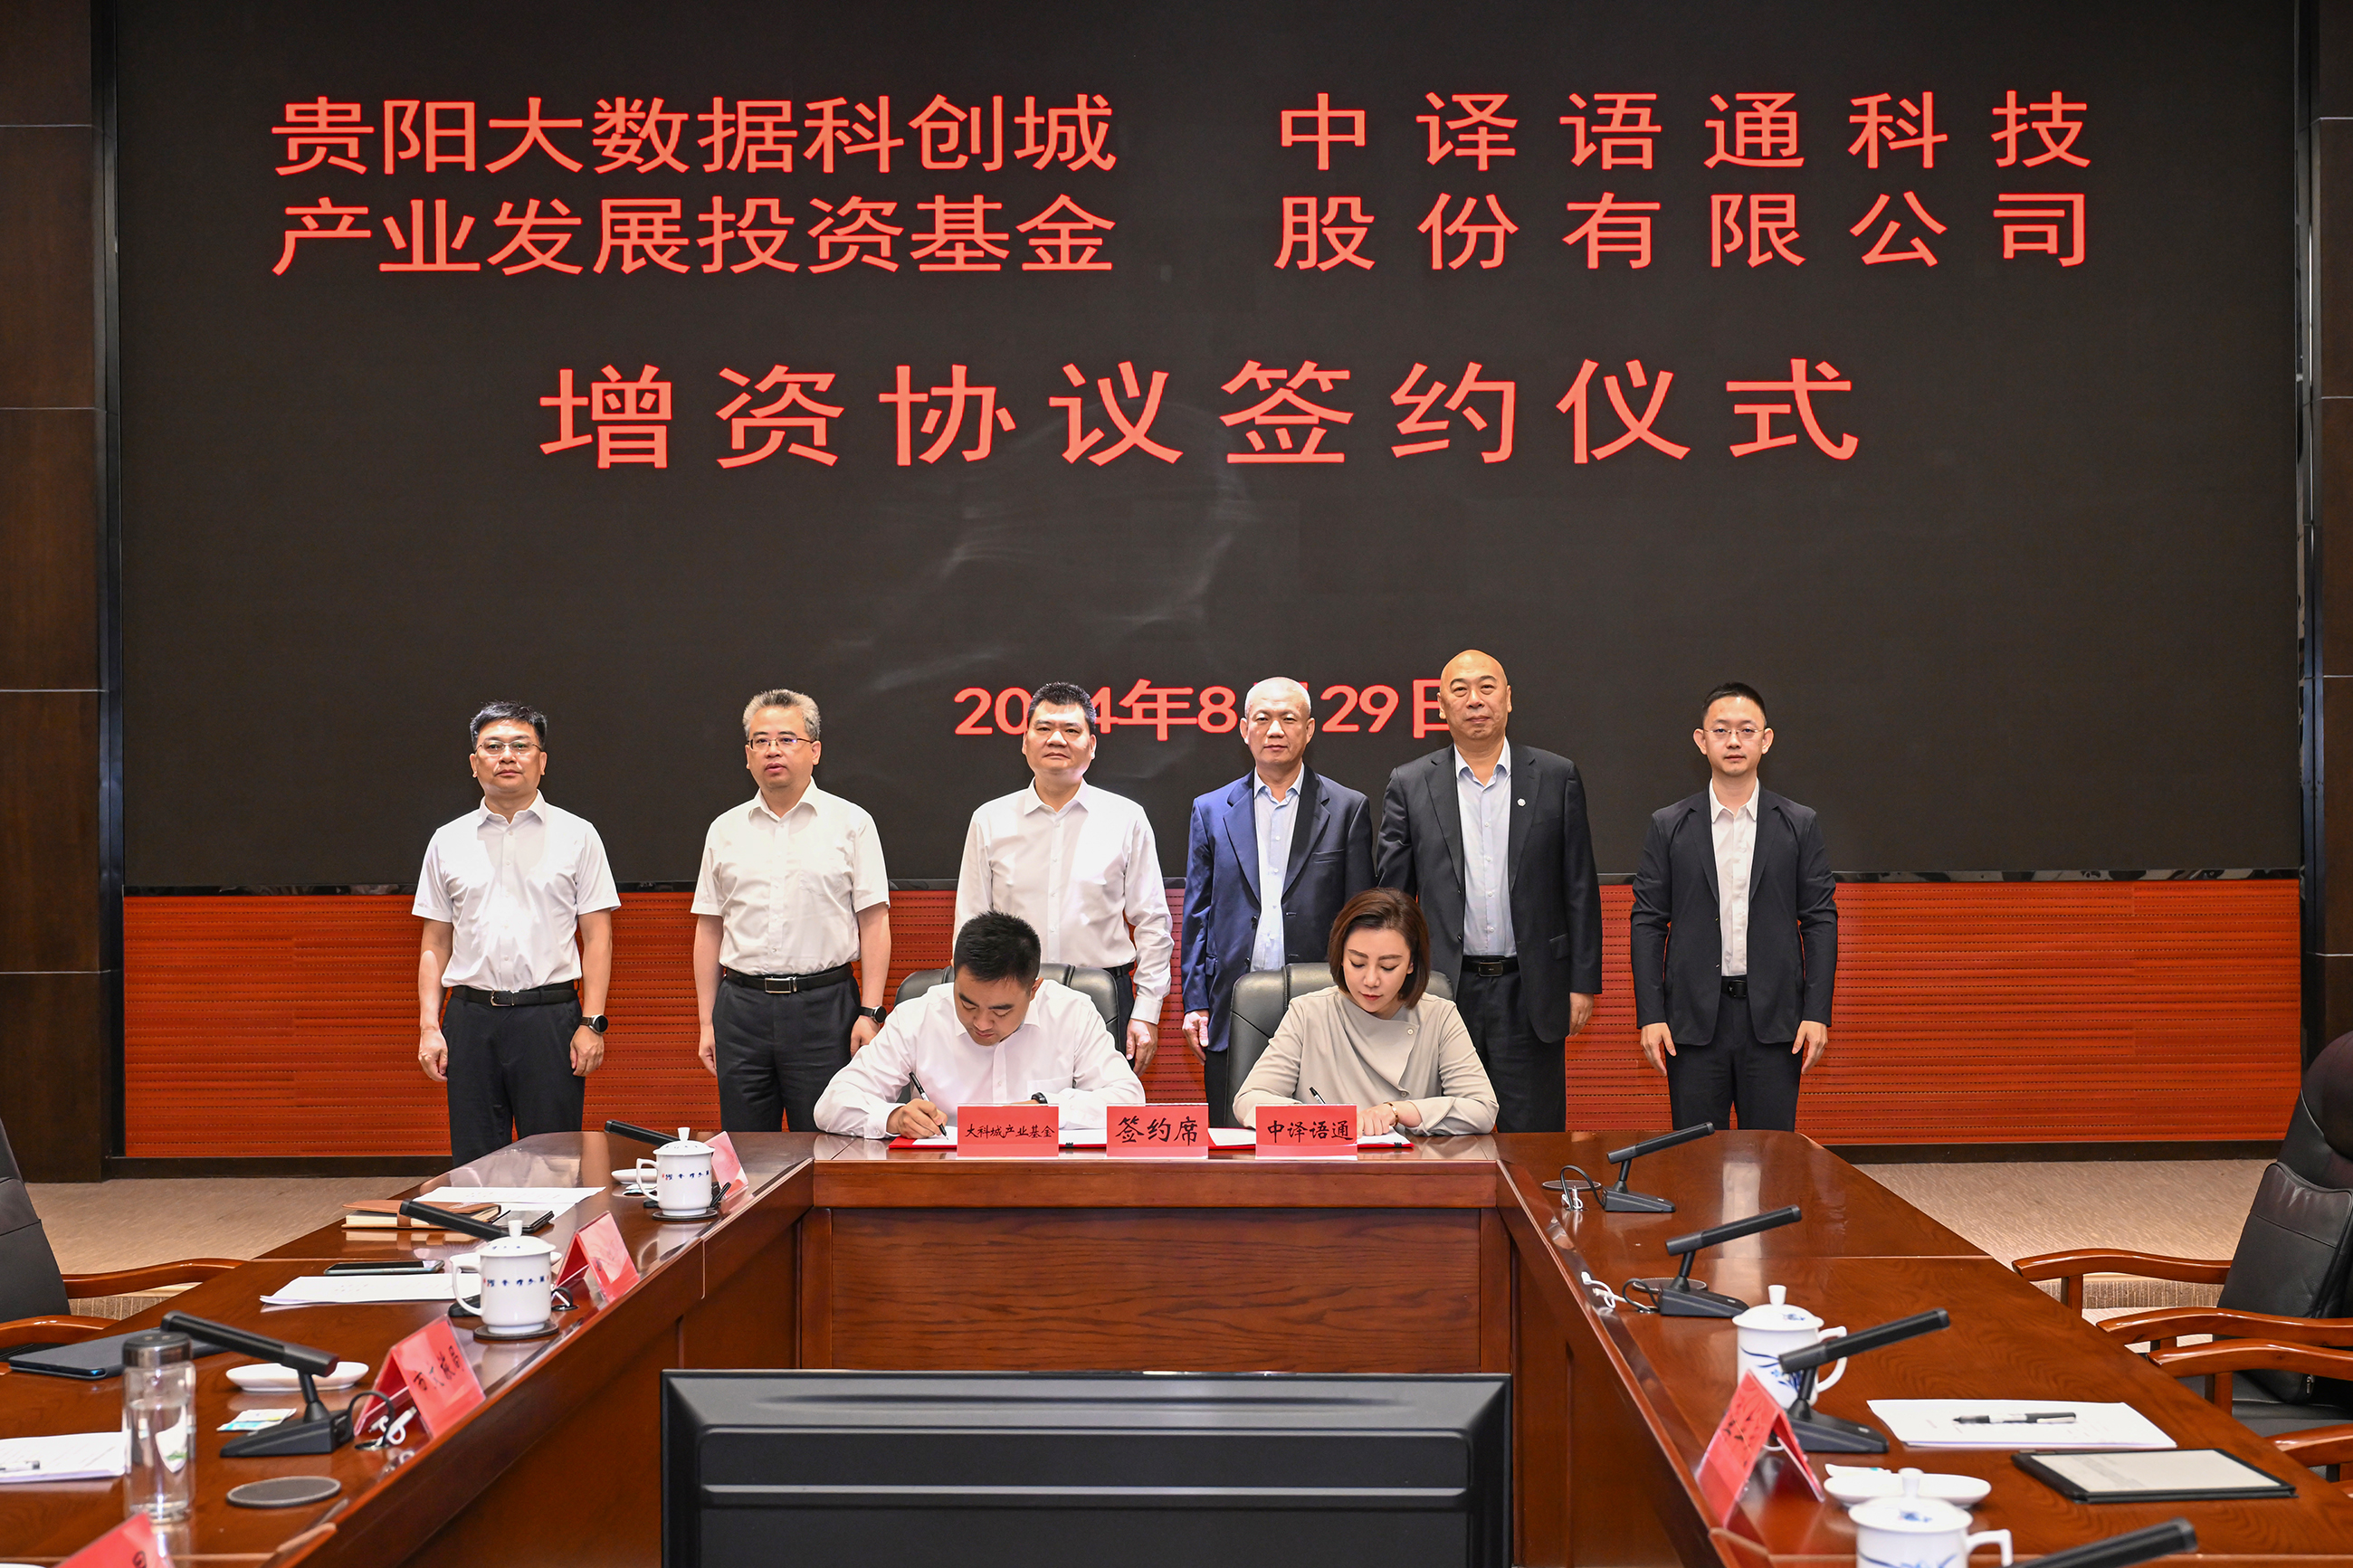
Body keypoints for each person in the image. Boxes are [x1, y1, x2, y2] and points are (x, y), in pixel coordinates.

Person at [1376, 650, 1602, 1133]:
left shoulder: (1555, 776)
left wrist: (1582, 982)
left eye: (1487, 687)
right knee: (1440, 1134)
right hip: (1442, 991)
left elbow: (1579, 887)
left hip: (1531, 988)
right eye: (1459, 690)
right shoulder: (1411, 783)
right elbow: (1393, 899)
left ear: (1509, 698)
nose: (1475, 700)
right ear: (1441, 706)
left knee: (1533, 1140)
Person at [414, 701, 620, 1166]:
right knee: (475, 1163)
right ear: (474, 763)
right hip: (470, 1020)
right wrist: (429, 1026)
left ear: (542, 761)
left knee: (555, 1160)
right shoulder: (447, 840)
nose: (507, 756)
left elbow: (598, 937)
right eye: (493, 747)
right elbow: (435, 942)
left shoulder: (578, 835)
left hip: (549, 1020)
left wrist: (591, 1023)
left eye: (521, 746)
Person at [1630, 682, 1837, 1132]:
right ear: (1701, 740)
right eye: (1721, 730)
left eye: (1746, 730)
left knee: (1772, 1156)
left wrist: (1817, 1012)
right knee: (1695, 1159)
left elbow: (1820, 920)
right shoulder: (1669, 825)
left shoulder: (1799, 824)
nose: (1734, 741)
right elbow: (1648, 922)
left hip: (1775, 1022)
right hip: (1692, 1023)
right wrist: (1652, 1015)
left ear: (1766, 740)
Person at [691, 688, 891, 1136]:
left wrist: (871, 1012)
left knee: (826, 1141)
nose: (773, 750)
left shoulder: (852, 823)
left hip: (824, 1009)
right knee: (745, 1146)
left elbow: (874, 922)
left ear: (814, 751)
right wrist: (707, 1022)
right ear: (748, 756)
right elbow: (709, 929)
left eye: (786, 739)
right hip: (741, 1009)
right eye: (760, 741)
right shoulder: (724, 829)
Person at [1180, 678, 1375, 1125]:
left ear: (1309, 730)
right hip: (1232, 1003)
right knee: (1231, 1136)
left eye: (1288, 719)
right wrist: (1195, 1002)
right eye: (1263, 719)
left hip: (1321, 1001)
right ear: (1244, 729)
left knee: (1319, 1134)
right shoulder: (1210, 810)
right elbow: (1197, 914)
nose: (1275, 730)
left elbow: (1362, 919)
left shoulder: (1348, 809)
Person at [956, 682, 1173, 1074]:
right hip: (1011, 996)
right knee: (1012, 1106)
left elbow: (1153, 922)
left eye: (1071, 730)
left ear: (1092, 745)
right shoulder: (989, 820)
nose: (1057, 739)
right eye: (1044, 728)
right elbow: (970, 924)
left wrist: (1147, 1009)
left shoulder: (1126, 818)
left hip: (1103, 995)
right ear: (1025, 742)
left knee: (1101, 1107)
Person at [812, 911, 1145, 1138]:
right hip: (944, 1183)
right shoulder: (918, 1016)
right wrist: (893, 1118)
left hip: (1045, 1182)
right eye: (968, 1004)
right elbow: (832, 1104)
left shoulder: (1071, 1012)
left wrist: (1047, 1109)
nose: (982, 1023)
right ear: (954, 971)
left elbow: (1128, 1100)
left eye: (1001, 1011)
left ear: (1034, 989)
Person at [1232, 889, 1497, 1136]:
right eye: (1357, 963)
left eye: (1388, 967)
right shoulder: (1308, 1012)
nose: (1371, 980)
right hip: (1325, 1164)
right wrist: (1325, 1120)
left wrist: (1397, 1111)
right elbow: (1249, 1100)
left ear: (1411, 964)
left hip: (1407, 1166)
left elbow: (1482, 1109)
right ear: (1340, 957)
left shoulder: (1439, 1015)